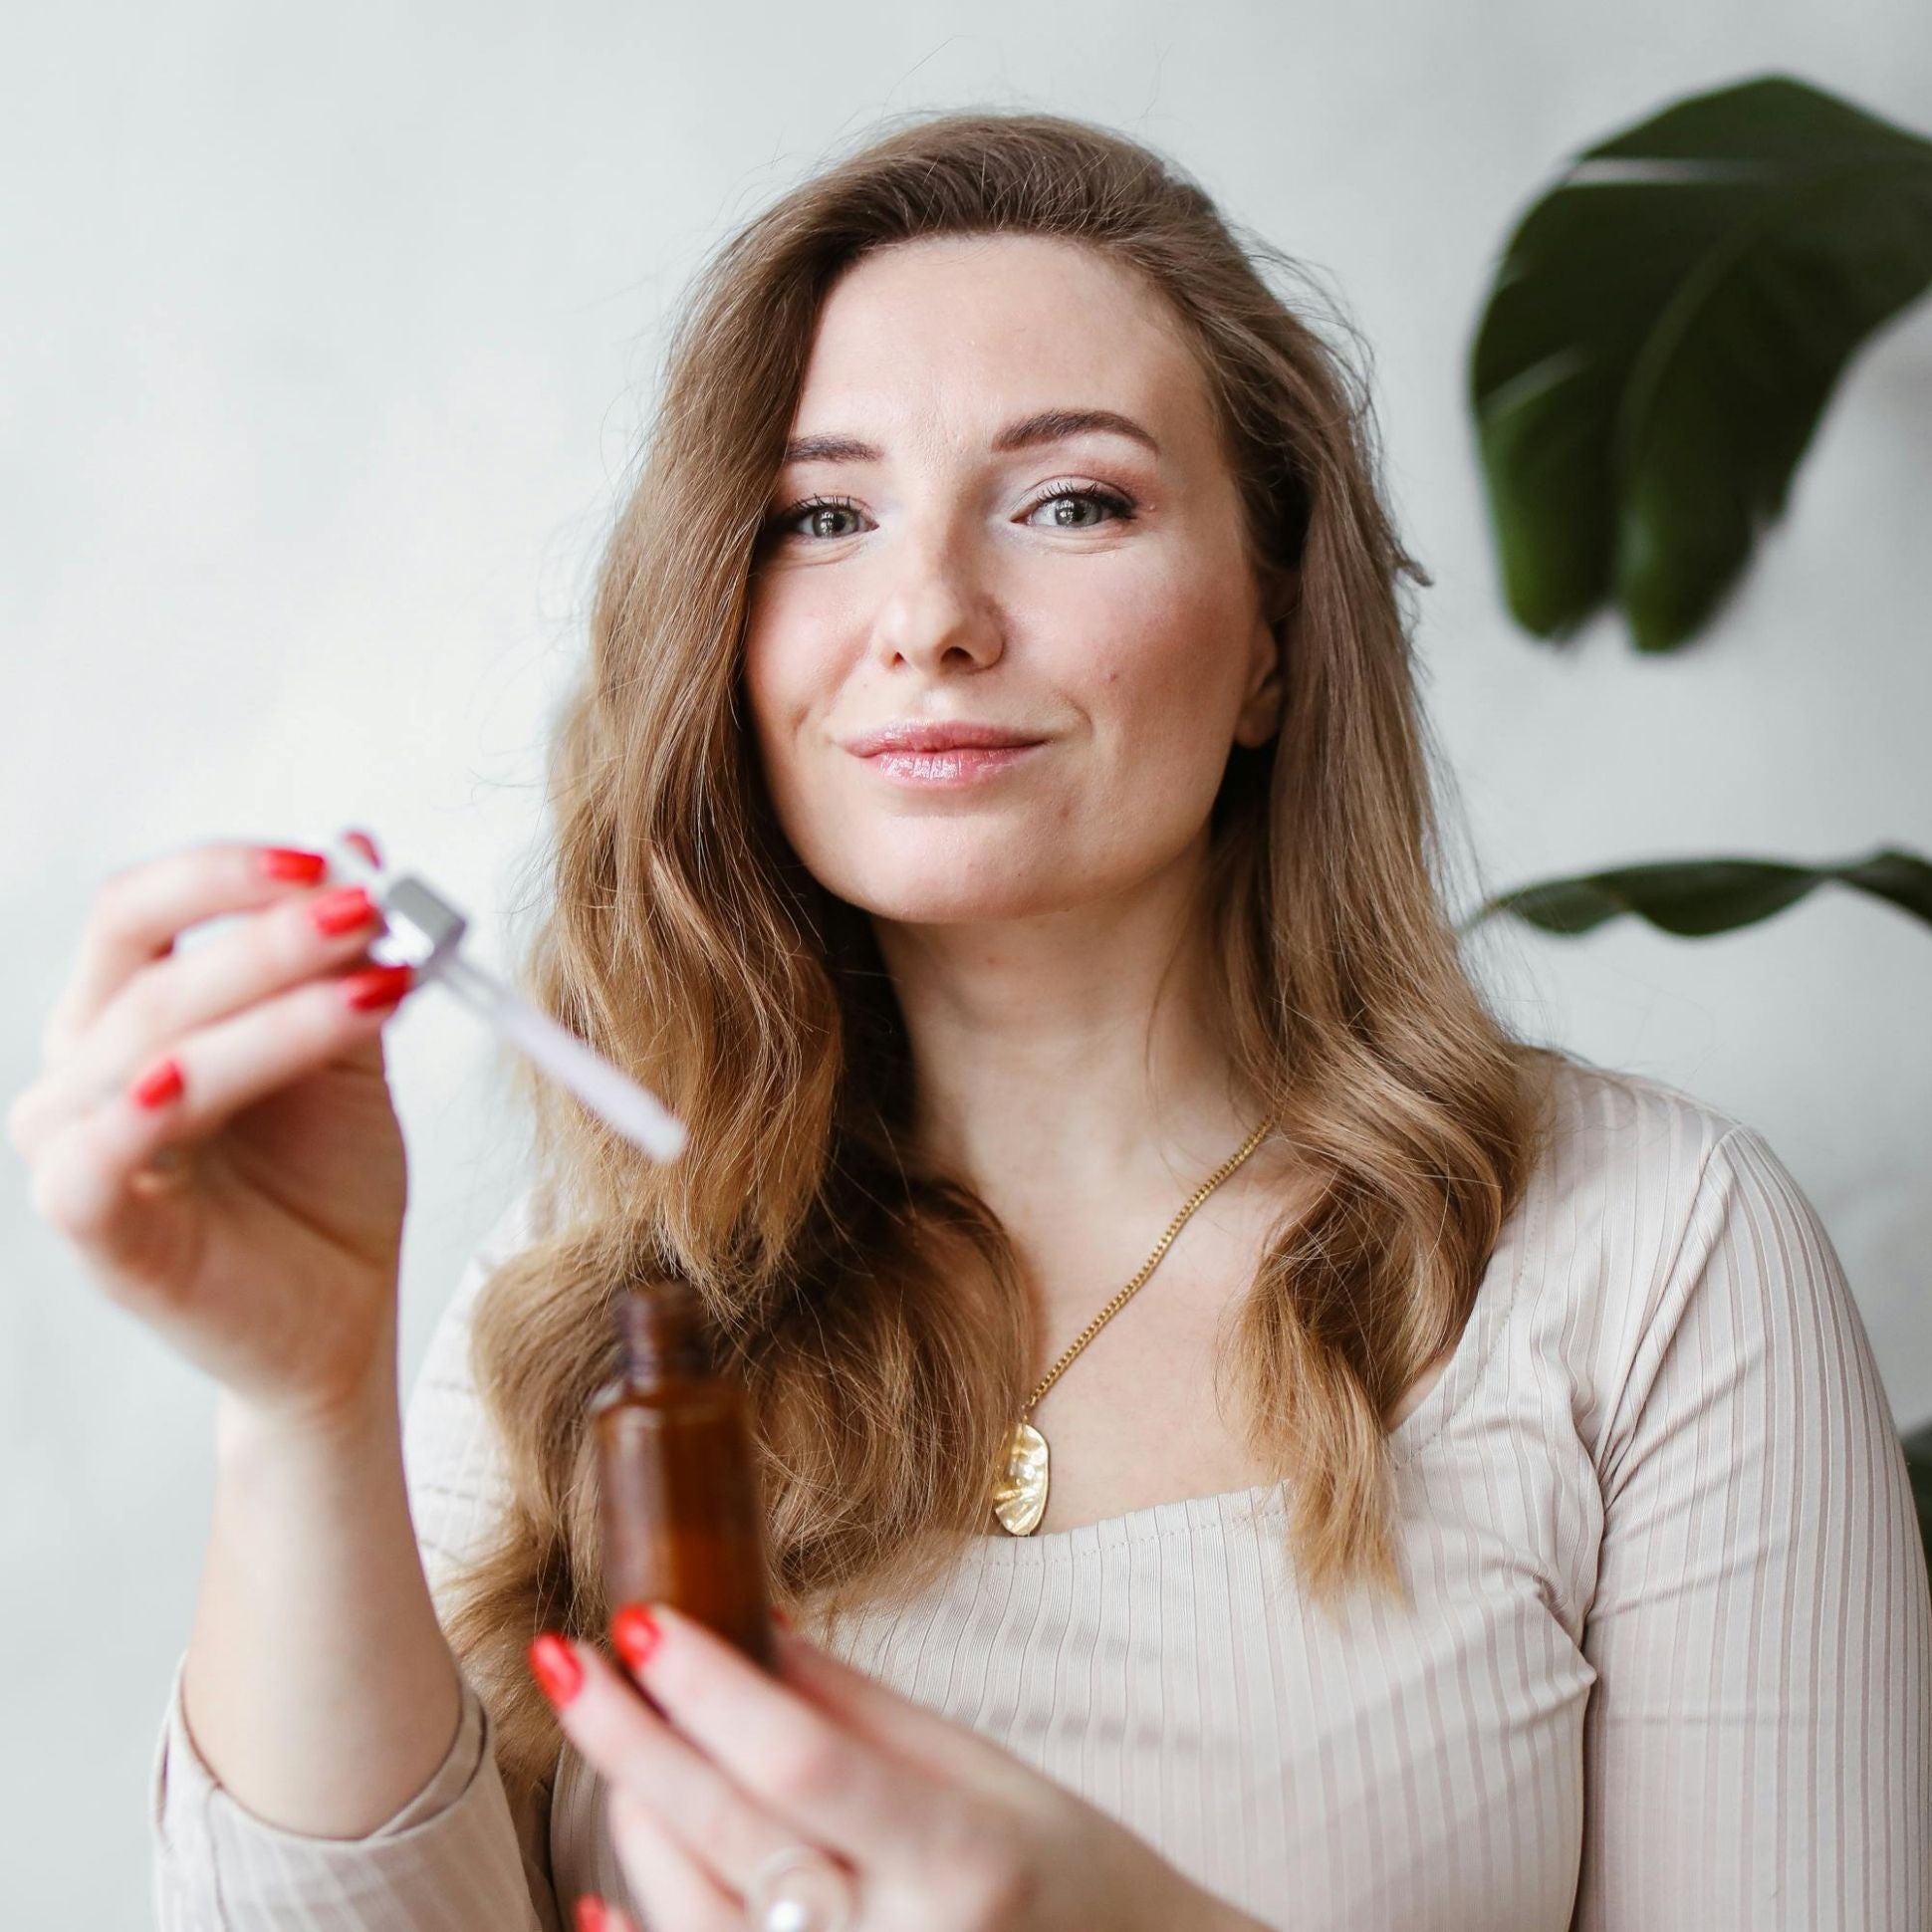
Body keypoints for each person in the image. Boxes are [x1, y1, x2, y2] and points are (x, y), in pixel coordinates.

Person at [13, 108, 1927, 1932]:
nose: (925, 613)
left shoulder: (1651, 1254)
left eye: (1072, 499)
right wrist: (294, 1404)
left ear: (1272, 637)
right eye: (820, 518)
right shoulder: (577, 1300)